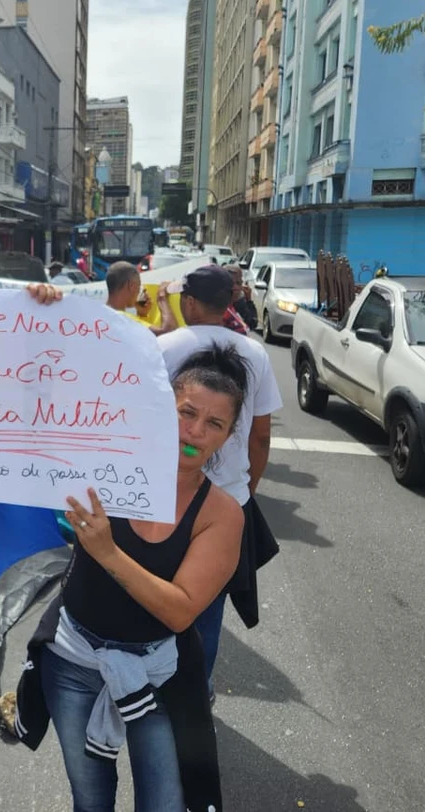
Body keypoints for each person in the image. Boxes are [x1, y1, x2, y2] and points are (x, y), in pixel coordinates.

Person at [12, 293, 245, 811]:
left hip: (157, 672)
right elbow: (35, 402)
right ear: (165, 407)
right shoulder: (106, 462)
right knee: (89, 797)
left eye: (214, 424)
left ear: (228, 437)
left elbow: (182, 608)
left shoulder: (222, 514)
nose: (195, 432)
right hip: (72, 659)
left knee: (163, 803)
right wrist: (42, 315)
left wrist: (109, 552)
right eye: (187, 412)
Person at [158, 266, 281, 696]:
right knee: (206, 610)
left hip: (163, 497)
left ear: (189, 302)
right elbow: (261, 436)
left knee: (155, 596)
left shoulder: (162, 347)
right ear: (229, 304)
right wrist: (245, 492)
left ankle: (145, 690)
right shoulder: (256, 353)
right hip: (227, 501)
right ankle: (197, 691)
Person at [226, 264, 258, 331]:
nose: (236, 287)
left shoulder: (240, 302)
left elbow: (252, 323)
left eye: (239, 283)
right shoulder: (216, 307)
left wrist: (249, 300)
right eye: (232, 283)